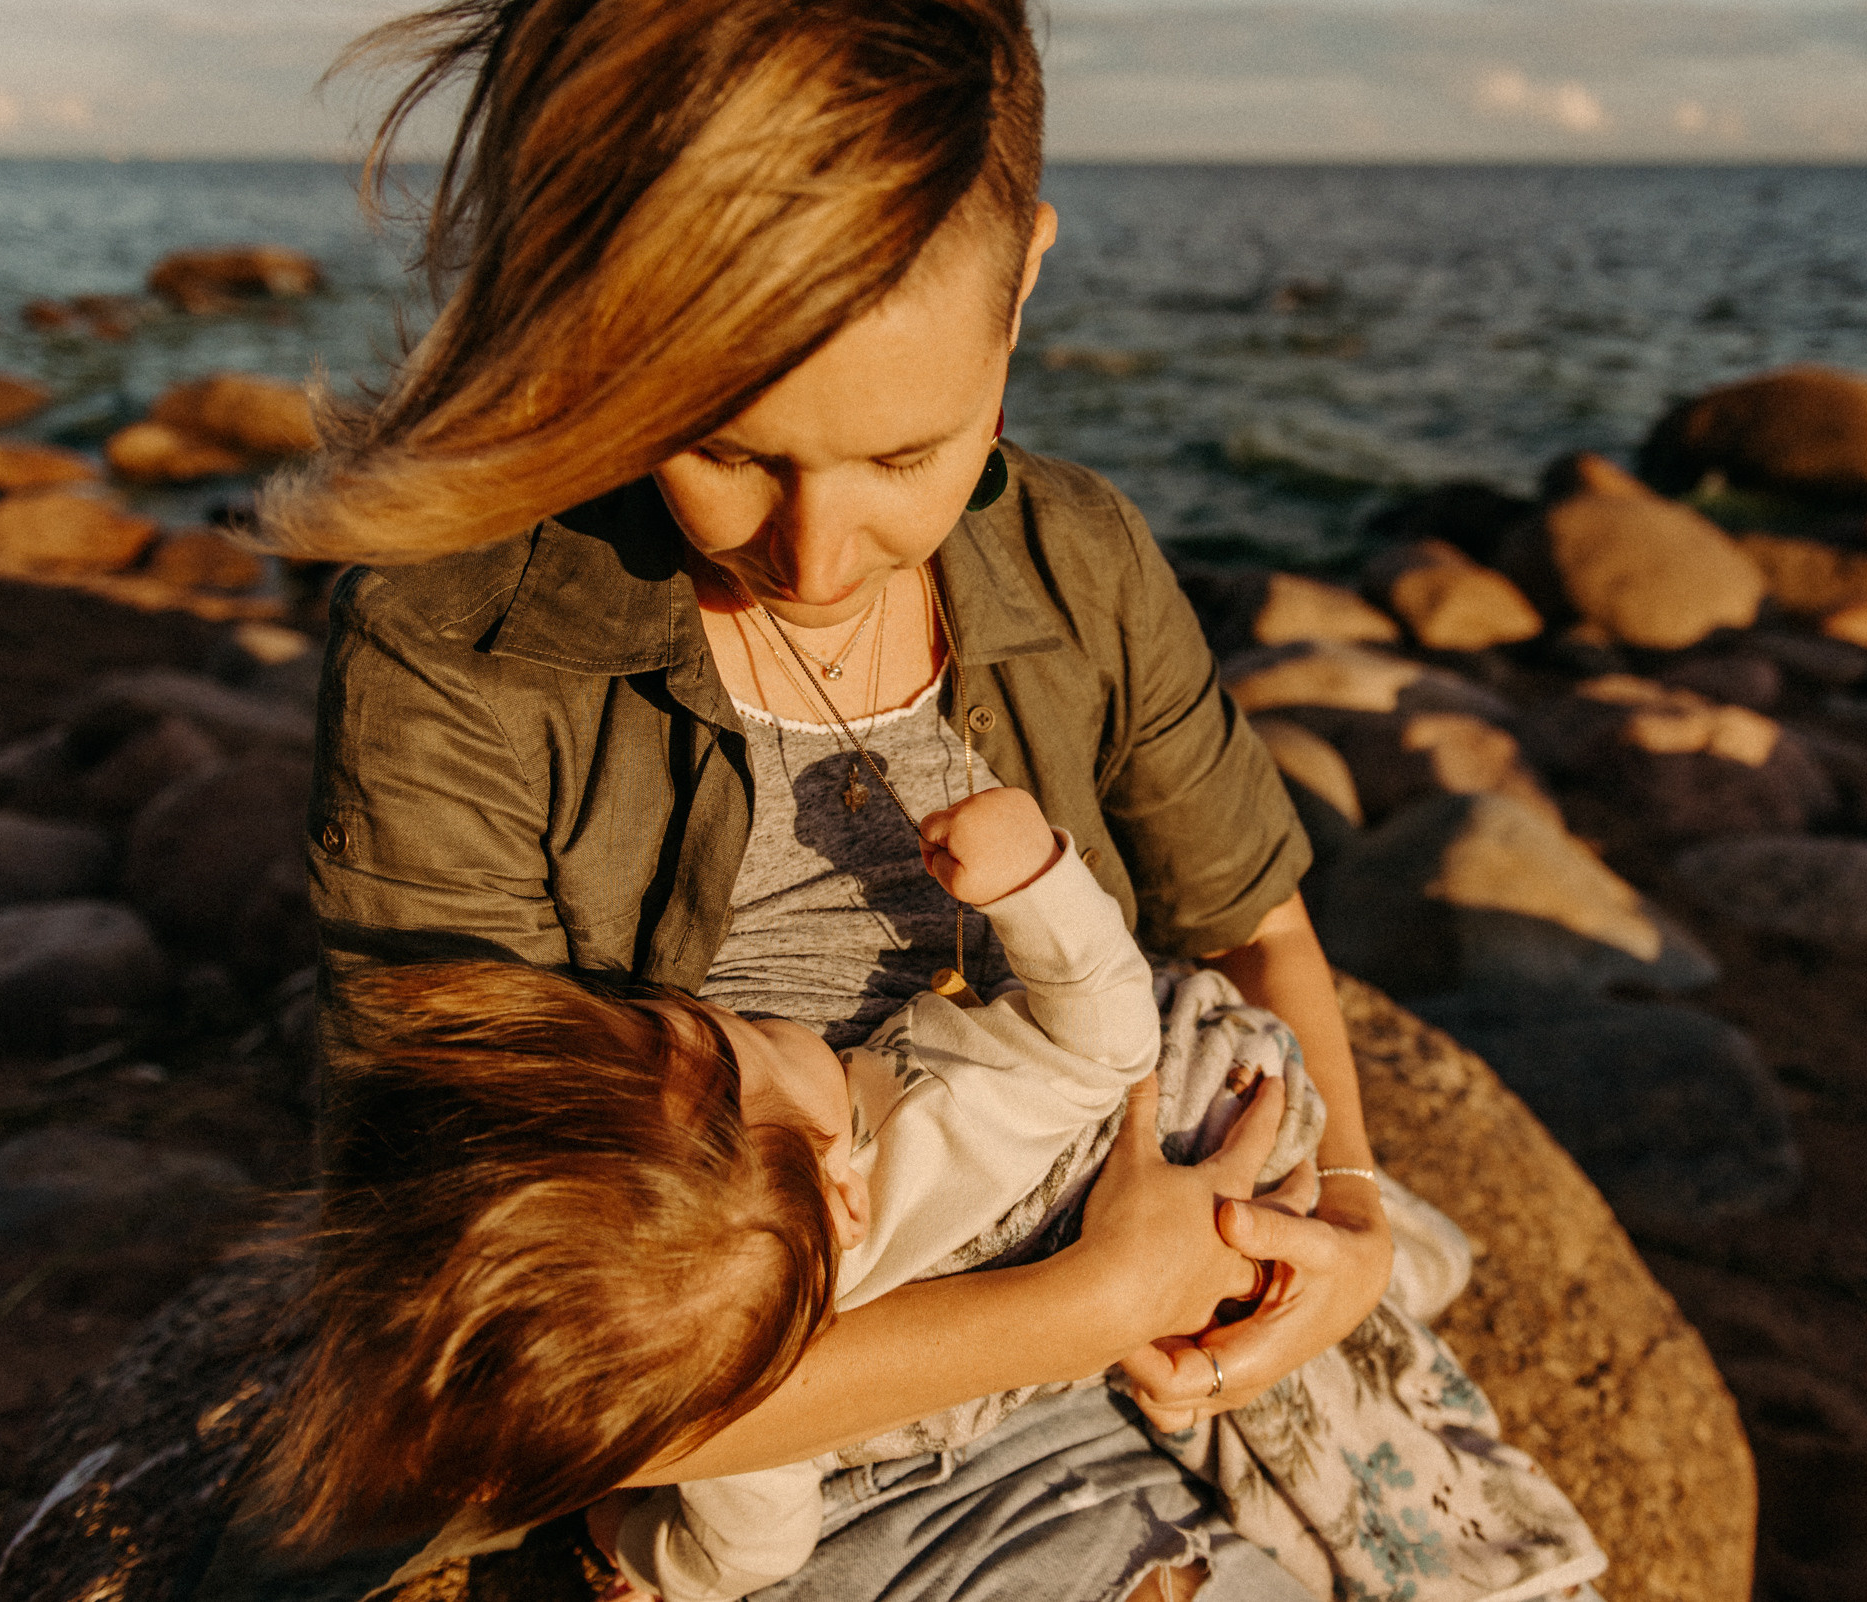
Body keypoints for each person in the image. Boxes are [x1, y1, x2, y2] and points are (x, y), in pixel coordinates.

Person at [267, 1, 1591, 1596]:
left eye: (904, 456)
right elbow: (481, 1345)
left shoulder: (1080, 560)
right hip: (790, 1431)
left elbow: (1261, 926)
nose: (815, 554)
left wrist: (1354, 1223)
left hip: (1136, 1284)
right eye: (726, 448)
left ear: (1023, 282)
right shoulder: (452, 649)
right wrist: (1090, 1303)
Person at [268, 786, 1600, 1602]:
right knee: (1237, 1146)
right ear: (844, 1199)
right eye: (739, 1046)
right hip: (1178, 1168)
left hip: (1095, 1333)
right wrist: (1037, 883)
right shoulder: (951, 1119)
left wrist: (629, 1536)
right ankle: (1386, 1243)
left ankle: (1382, 1241)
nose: (710, 1010)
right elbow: (1107, 1030)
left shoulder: (734, 1338)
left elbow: (745, 1552)